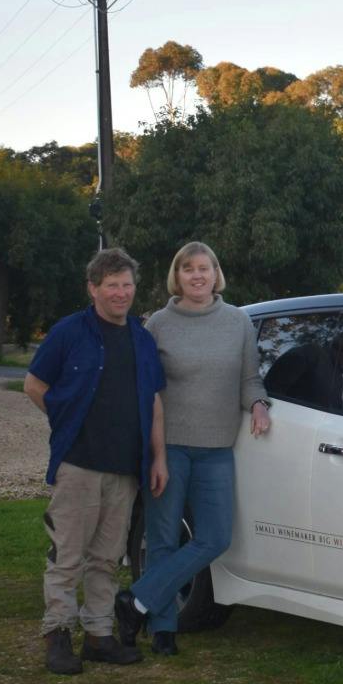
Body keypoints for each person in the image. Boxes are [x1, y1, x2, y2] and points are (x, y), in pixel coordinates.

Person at [115, 241, 269, 656]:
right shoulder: (160, 325)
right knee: (163, 538)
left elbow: (250, 379)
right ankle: (164, 630)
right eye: (188, 269)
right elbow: (145, 389)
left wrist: (258, 404)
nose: (197, 275)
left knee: (215, 537)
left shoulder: (237, 322)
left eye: (204, 268)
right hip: (170, 448)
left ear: (216, 274)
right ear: (177, 276)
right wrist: (152, 451)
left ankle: (136, 600)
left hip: (217, 448)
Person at [24, 247, 167, 676]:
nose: (121, 293)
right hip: (80, 464)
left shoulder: (142, 339)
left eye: (127, 285)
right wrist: (66, 418)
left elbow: (155, 401)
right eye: (112, 286)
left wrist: (159, 457)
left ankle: (100, 636)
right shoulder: (70, 332)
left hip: (125, 469)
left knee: (107, 558)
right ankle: (58, 635)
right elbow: (34, 384)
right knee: (67, 555)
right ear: (93, 288)